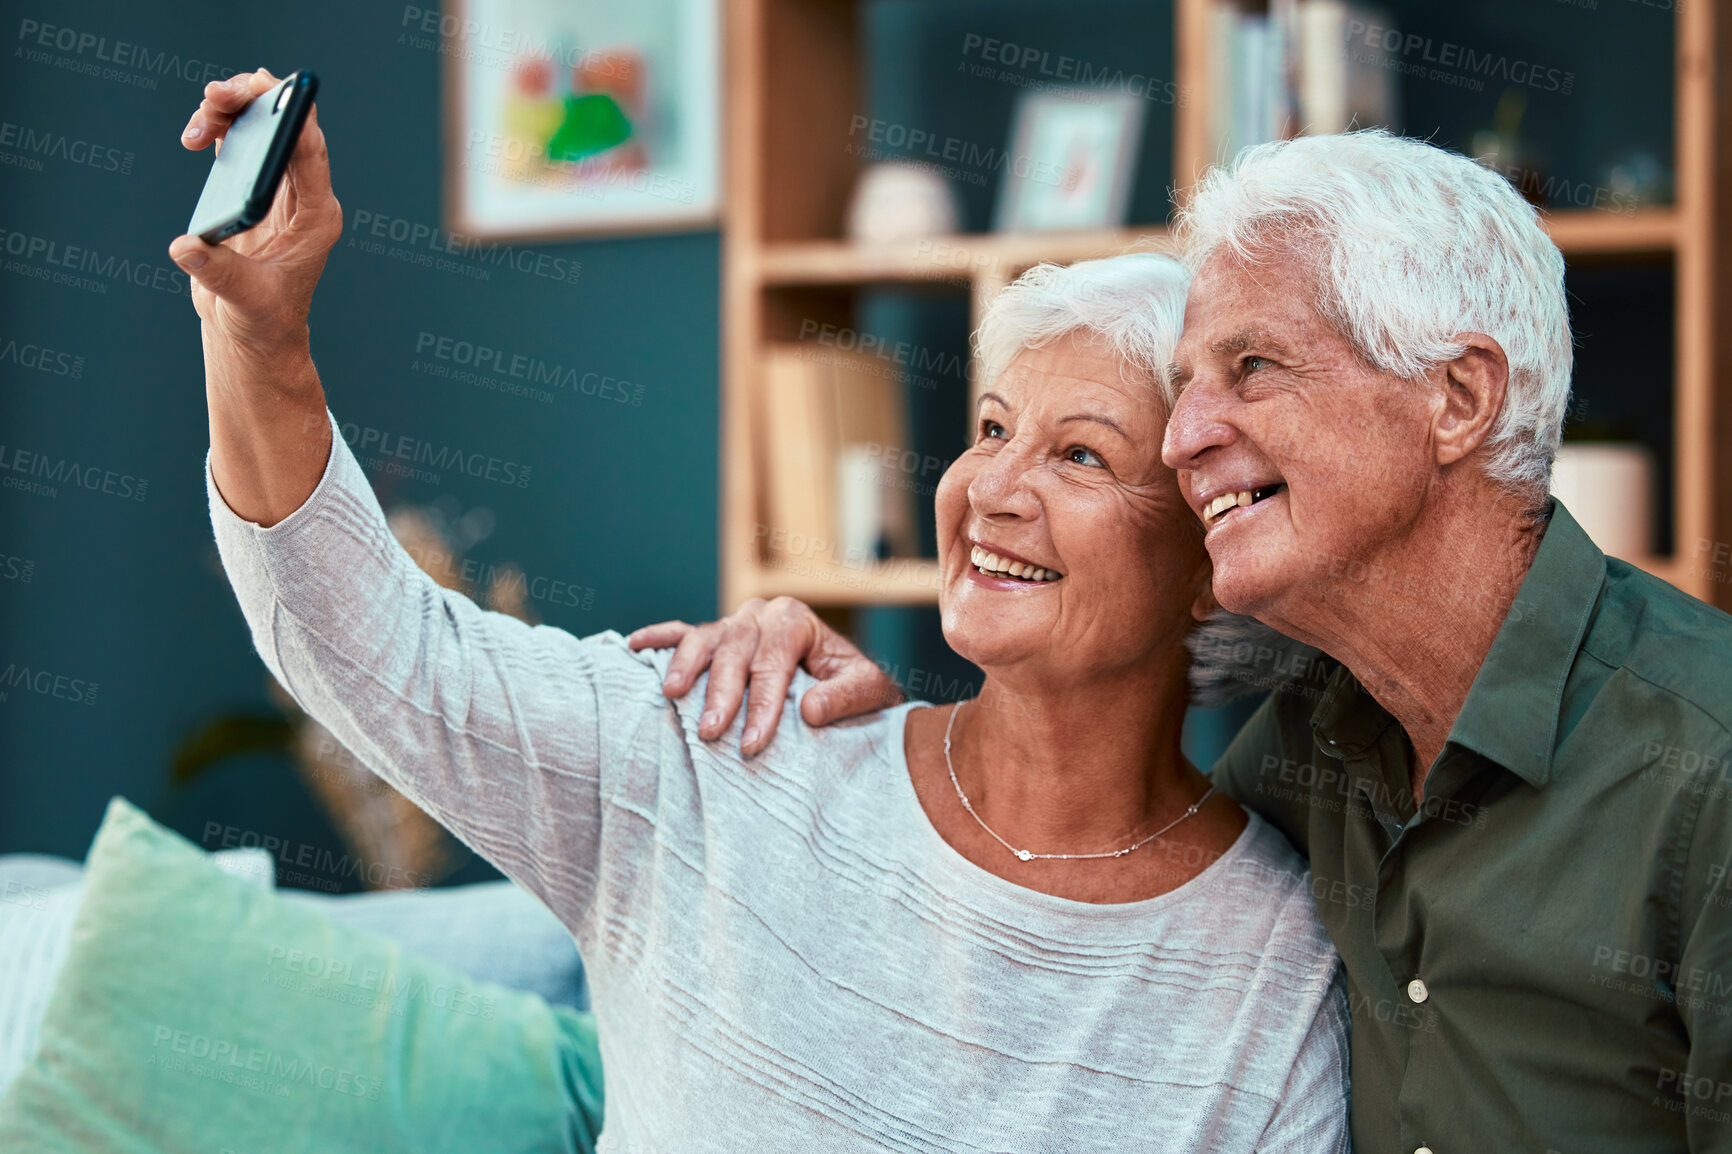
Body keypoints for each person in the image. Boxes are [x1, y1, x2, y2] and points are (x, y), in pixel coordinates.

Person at [172, 71, 1351, 1151]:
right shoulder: (735, 738)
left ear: (1210, 547)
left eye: (1081, 456)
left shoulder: (1274, 960)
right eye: (990, 429)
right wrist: (257, 336)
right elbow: (378, 650)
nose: (991, 489)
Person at [645, 131, 1732, 1153]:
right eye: (1187, 382)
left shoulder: (1704, 767)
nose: (1181, 437)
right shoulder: (1309, 744)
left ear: (1456, 398)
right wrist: (864, 738)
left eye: (1251, 365)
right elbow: (1072, 860)